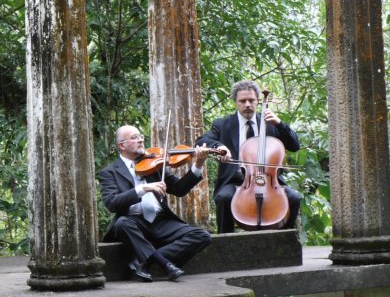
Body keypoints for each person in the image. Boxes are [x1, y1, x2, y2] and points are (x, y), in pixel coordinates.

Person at [98, 125, 213, 282]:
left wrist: (198, 164)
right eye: (134, 137)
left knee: (202, 236)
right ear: (121, 145)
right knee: (122, 223)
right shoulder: (109, 172)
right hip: (133, 222)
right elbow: (112, 203)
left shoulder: (154, 163)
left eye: (140, 136)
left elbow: (179, 189)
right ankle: (165, 264)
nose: (140, 139)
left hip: (160, 221)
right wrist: (143, 188)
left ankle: (145, 262)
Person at [195, 80, 301, 234]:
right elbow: (201, 141)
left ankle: (285, 241)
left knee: (294, 197)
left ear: (258, 101)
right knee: (223, 198)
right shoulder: (223, 124)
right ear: (236, 102)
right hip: (235, 181)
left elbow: (294, 146)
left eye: (251, 100)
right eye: (242, 101)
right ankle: (226, 244)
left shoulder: (270, 124)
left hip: (269, 182)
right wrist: (219, 147)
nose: (247, 104)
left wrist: (280, 124)